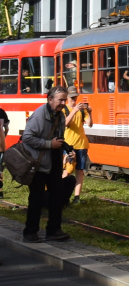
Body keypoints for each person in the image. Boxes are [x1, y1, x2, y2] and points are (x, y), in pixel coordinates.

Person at [21, 87, 71, 243]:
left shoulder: (60, 115)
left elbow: (59, 137)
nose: (63, 103)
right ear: (50, 99)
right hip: (38, 162)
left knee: (57, 195)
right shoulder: (39, 115)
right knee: (36, 198)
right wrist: (49, 144)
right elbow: (27, 137)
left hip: (54, 160)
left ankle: (54, 230)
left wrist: (66, 146)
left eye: (65, 100)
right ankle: (30, 232)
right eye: (60, 100)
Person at [64, 91, 93, 204]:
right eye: (71, 98)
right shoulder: (64, 109)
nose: (74, 100)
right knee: (68, 170)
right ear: (67, 98)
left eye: (75, 98)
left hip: (82, 144)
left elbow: (90, 124)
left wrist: (90, 113)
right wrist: (74, 111)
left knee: (80, 171)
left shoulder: (81, 109)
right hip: (69, 145)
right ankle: (61, 193)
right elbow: (65, 123)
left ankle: (76, 197)